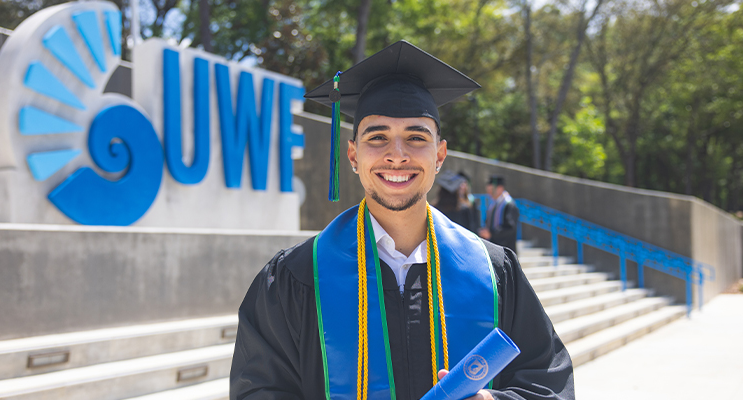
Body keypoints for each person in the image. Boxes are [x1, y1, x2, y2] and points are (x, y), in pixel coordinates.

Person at [230, 41, 573, 400]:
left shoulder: (494, 272)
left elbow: (548, 381)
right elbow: (258, 390)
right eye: (377, 137)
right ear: (353, 154)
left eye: (415, 137)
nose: (397, 155)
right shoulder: (296, 277)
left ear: (440, 154)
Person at [479, 175, 519, 254]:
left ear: (500, 188)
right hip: (495, 247)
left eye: (491, 190)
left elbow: (510, 228)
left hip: (506, 249)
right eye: (488, 191)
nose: (489, 193)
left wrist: (491, 233)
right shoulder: (493, 205)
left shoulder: (508, 204)